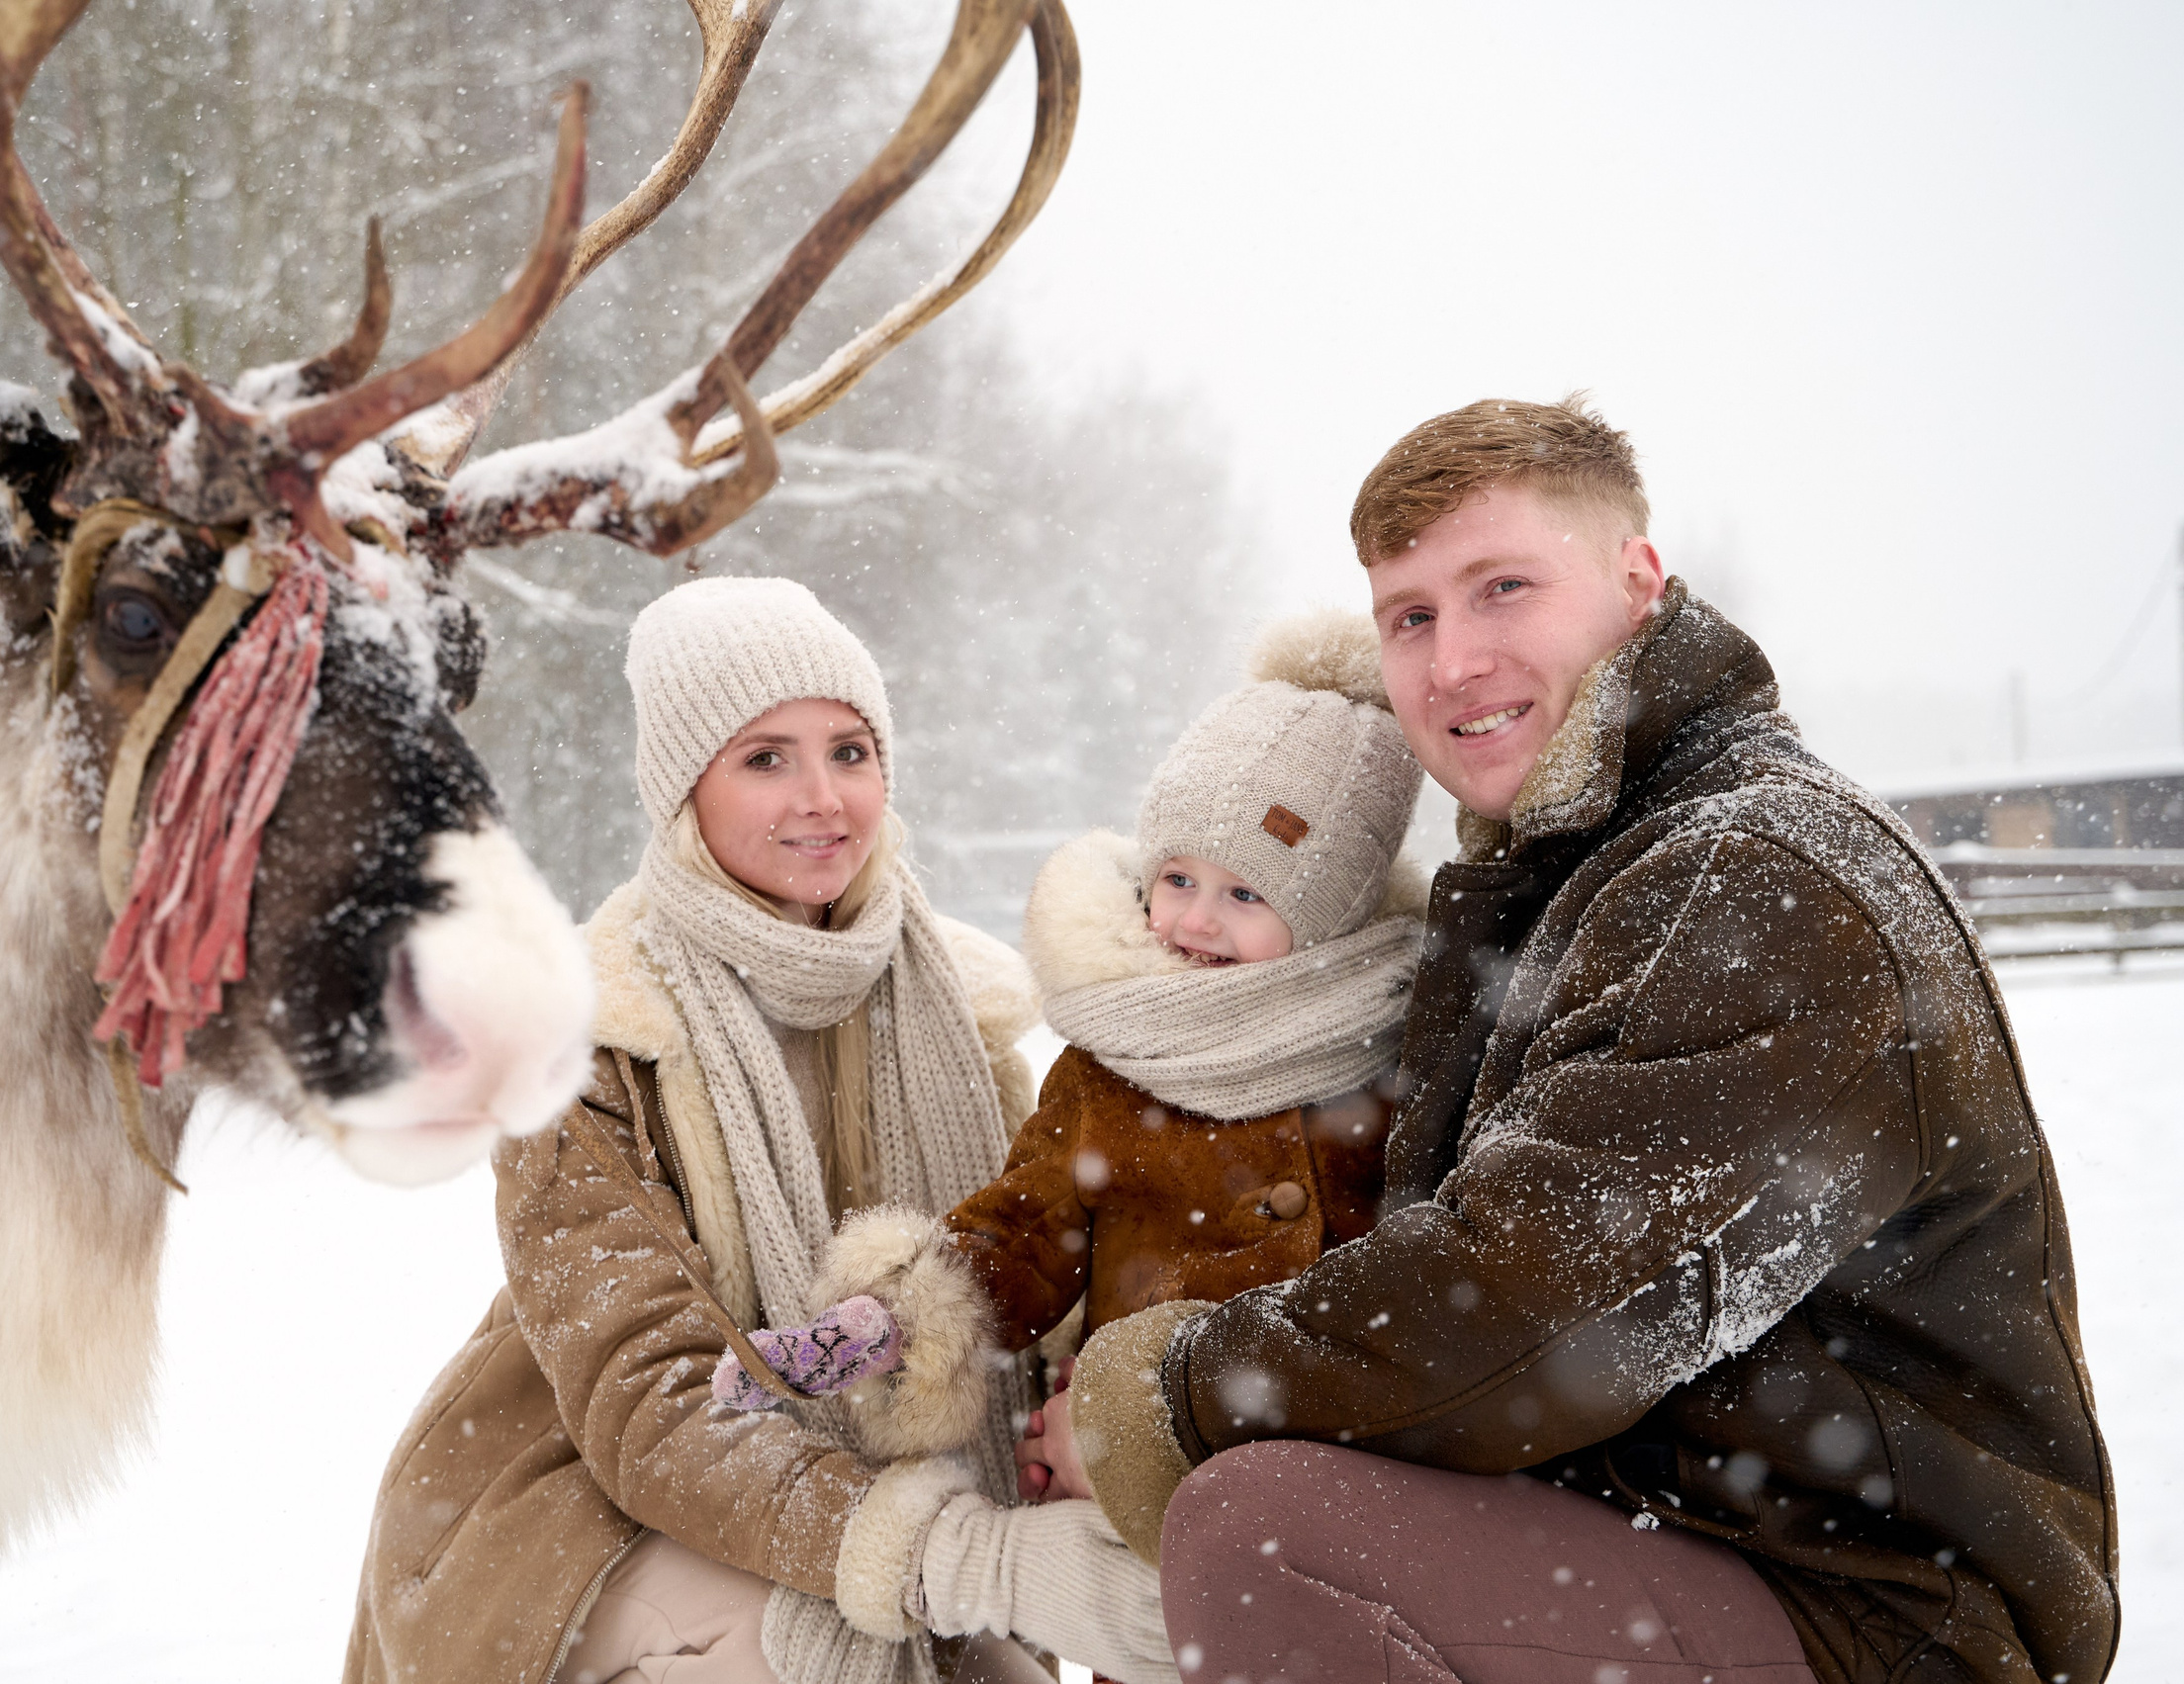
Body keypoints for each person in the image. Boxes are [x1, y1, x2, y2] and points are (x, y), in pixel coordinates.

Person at [1037, 399, 2118, 1684]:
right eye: (1412, 616)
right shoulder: (1580, 878)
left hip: (1882, 1609)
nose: (1454, 659)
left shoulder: (1754, 880)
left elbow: (1534, 1304)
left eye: (1504, 587)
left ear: (1636, 581)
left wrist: (1174, 1389)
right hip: (1702, 1537)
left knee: (1271, 1534)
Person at [340, 577, 1172, 1684]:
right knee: (817, 1653)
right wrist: (968, 1553)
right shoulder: (593, 1040)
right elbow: (651, 1394)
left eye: (851, 749)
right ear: (685, 789)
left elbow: (1029, 1277)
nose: (821, 797)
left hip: (878, 1504)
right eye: (765, 757)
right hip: (581, 1507)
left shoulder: (960, 1019)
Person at [709, 613, 1427, 1501]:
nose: (1197, 920)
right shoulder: (1115, 1063)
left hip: (1343, 1458)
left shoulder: (1393, 1052)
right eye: (1178, 880)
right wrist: (906, 1314)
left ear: (1334, 917)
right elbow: (1029, 1223)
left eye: (1246, 893)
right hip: (1134, 1455)